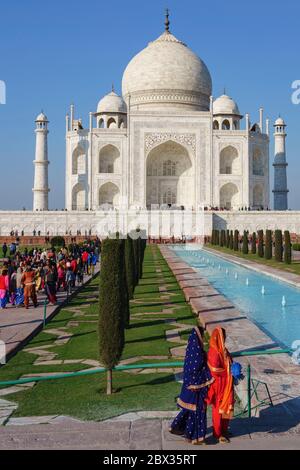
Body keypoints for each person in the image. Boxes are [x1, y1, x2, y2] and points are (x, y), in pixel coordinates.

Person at [169, 326, 213, 445]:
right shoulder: (197, 352)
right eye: (202, 335)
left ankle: (180, 429)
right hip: (196, 387)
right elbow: (196, 367)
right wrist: (207, 373)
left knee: (189, 410)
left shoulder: (191, 348)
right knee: (198, 412)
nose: (203, 337)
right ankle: (196, 438)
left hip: (189, 385)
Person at [206, 327, 234, 443]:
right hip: (218, 386)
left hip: (227, 384)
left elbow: (230, 361)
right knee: (218, 409)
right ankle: (218, 434)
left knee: (228, 406)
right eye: (224, 336)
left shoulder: (223, 349)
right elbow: (214, 370)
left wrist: (234, 367)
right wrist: (228, 370)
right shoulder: (213, 351)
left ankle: (224, 429)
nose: (225, 338)